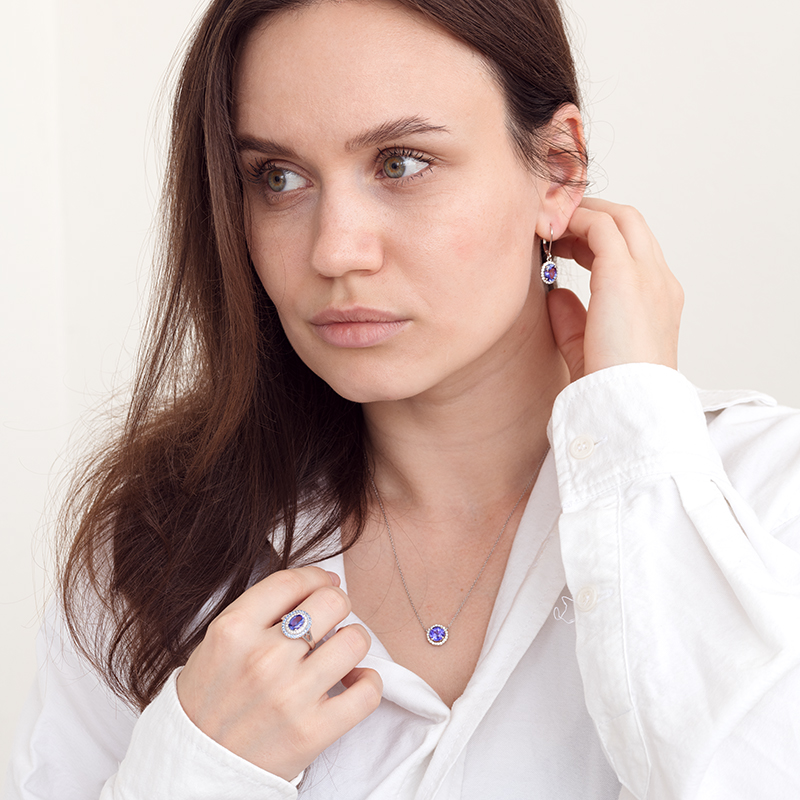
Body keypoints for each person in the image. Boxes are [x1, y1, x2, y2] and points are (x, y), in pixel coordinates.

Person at [5, 0, 800, 797]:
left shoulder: (768, 496)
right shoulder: (158, 545)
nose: (335, 250)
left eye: (401, 163)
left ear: (559, 167)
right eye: (278, 178)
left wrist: (635, 440)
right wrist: (201, 766)